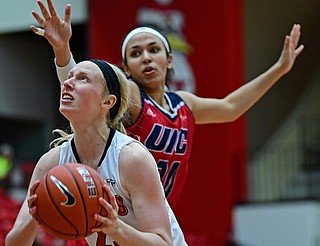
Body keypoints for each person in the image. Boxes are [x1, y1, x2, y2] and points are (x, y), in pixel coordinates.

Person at [31, 1, 304, 207]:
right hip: (116, 210)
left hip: (155, 217)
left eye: (154, 49)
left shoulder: (183, 104)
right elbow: (82, 89)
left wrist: (279, 69)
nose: (146, 58)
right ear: (125, 68)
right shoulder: (133, 97)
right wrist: (62, 50)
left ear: (169, 59)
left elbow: (231, 107)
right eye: (136, 54)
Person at [5, 59, 195, 246]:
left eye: (83, 79)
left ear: (108, 102)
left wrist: (116, 228)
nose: (68, 83)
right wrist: (34, 219)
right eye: (69, 78)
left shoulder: (131, 157)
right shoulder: (51, 163)